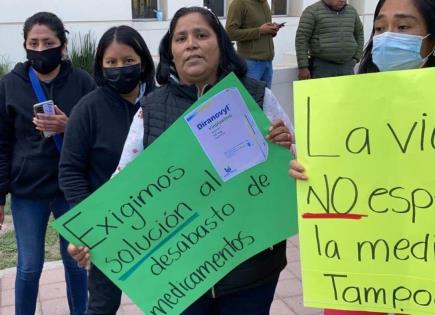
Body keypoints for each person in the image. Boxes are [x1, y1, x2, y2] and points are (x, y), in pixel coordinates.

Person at [69, 6, 294, 315]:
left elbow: (299, 168)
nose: (191, 44)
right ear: (170, 52)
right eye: (181, 38)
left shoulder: (257, 98)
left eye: (202, 34)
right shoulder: (150, 111)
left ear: (221, 44)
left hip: (250, 270)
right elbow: (122, 186)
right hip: (182, 276)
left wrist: (287, 150)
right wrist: (89, 236)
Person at [290, 0, 435, 314]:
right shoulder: (349, 106)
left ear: (431, 39)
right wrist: (310, 170)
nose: (387, 37)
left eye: (404, 27)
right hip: (363, 266)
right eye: (380, 28)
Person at [0, 12, 95, 315]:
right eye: (34, 43)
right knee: (28, 266)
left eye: (49, 42)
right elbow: (1, 144)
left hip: (72, 189)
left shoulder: (82, 81)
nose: (41, 49)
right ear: (25, 45)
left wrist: (70, 126)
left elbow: (100, 133)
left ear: (62, 44)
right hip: (28, 191)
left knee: (76, 264)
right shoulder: (10, 85)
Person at [59, 25, 155, 315]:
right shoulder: (87, 109)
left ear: (143, 61)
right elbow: (70, 170)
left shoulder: (161, 103)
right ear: (100, 65)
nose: (120, 68)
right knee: (103, 304)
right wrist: (91, 222)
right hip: (109, 228)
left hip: (162, 221)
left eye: (128, 60)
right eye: (111, 62)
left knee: (172, 298)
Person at [295, 0, 364, 80]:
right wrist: (303, 67)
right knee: (323, 92)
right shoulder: (312, 11)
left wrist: (356, 57)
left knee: (346, 92)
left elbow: (359, 34)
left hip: (347, 66)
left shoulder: (352, 11)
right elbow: (302, 39)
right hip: (322, 67)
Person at [226, 0, 284, 88]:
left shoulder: (264, 3)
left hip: (268, 61)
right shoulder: (239, 3)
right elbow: (230, 33)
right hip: (250, 62)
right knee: (249, 100)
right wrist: (259, 31)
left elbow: (261, 29)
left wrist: (272, 29)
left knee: (265, 100)